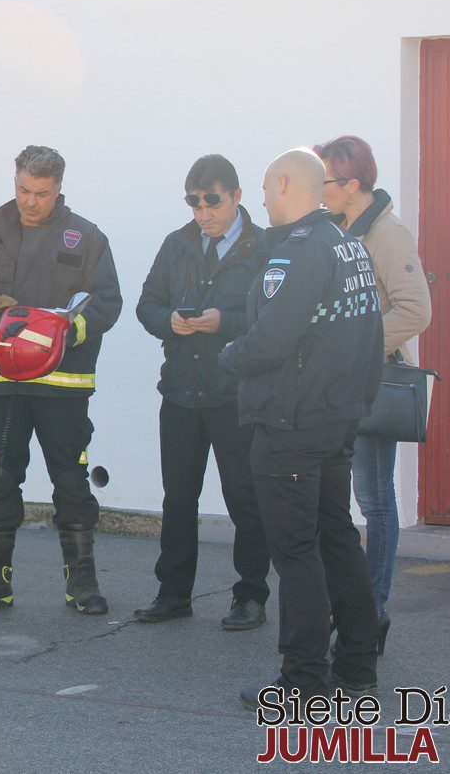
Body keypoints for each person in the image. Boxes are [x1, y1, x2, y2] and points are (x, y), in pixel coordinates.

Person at [219, 148, 383, 707]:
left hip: (292, 421)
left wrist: (228, 355)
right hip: (336, 418)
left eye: (265, 186)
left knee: (296, 551)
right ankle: (358, 665)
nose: (262, 198)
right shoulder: (349, 245)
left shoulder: (298, 253)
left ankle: (303, 680)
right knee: (337, 537)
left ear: (285, 182)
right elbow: (367, 338)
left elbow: (270, 340)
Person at [0, 145, 122, 617]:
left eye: (41, 193)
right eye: (23, 189)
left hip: (62, 386)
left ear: (59, 187)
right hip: (1, 384)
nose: (30, 201)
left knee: (71, 483)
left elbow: (107, 301)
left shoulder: (85, 237)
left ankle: (82, 583)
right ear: (14, 179)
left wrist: (66, 331)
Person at [134, 155, 272, 630]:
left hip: (235, 394)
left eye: (212, 201)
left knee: (244, 496)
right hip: (180, 391)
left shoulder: (262, 247)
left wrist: (223, 323)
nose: (204, 212)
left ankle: (250, 595)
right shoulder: (178, 244)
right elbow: (146, 304)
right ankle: (173, 593)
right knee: (178, 497)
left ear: (236, 195)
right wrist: (167, 321)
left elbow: (271, 318)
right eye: (194, 203)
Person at [315, 135, 431, 651]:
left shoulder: (387, 233)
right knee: (339, 500)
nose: (319, 190)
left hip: (370, 380)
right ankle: (352, 607)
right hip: (336, 384)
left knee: (375, 500)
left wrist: (355, 347)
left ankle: (373, 610)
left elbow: (415, 310)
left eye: (326, 181)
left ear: (352, 185)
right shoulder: (335, 229)